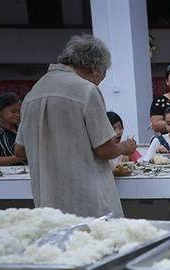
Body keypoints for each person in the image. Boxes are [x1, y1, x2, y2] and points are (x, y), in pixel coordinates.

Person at [13, 34, 136, 217]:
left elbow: (19, 150)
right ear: (94, 67)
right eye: (102, 76)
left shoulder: (34, 93)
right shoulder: (86, 90)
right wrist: (123, 147)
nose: (99, 81)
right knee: (98, 243)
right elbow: (105, 150)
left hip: (47, 200)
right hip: (87, 199)